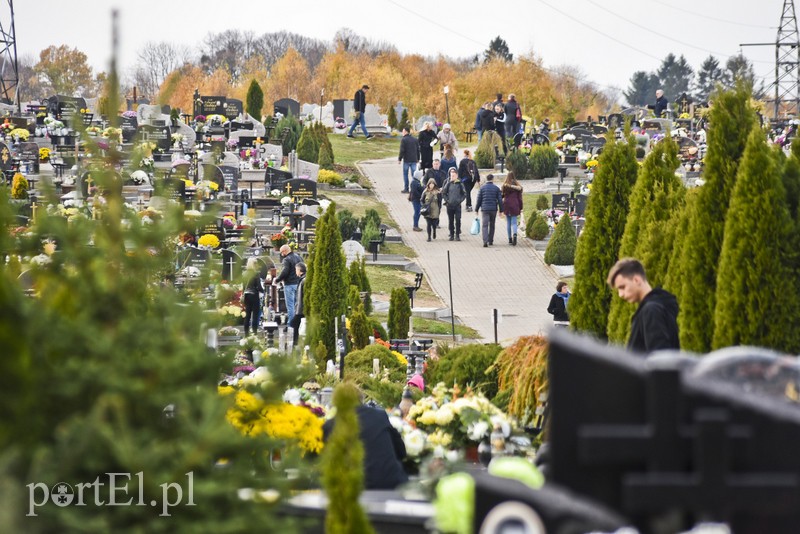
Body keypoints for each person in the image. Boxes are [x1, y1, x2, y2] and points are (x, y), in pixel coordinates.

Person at [322, 390, 409, 490]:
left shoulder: (331, 424)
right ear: (361, 400)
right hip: (392, 483)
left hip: (354, 487)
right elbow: (401, 451)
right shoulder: (379, 415)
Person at [607, 258, 680, 354]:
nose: (620, 294)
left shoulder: (651, 310)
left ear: (636, 280)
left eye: (622, 287)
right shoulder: (658, 306)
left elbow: (660, 359)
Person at [273, 244, 303, 325]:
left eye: (281, 252)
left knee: (290, 306)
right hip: (298, 283)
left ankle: (291, 324)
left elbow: (285, 271)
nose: (281, 254)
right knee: (298, 305)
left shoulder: (286, 259)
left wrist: (277, 280)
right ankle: (298, 324)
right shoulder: (299, 257)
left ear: (284, 251)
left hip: (289, 284)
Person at [475, 173, 503, 247]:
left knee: (485, 225)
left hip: (485, 209)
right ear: (492, 179)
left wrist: (476, 209)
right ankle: (490, 240)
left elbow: (479, 199)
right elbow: (500, 200)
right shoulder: (496, 188)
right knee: (492, 225)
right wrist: (501, 210)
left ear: (486, 179)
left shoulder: (482, 188)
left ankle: (485, 241)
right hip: (493, 209)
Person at [441, 167, 466, 241]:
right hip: (450, 205)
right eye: (451, 176)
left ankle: (457, 235)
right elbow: (444, 193)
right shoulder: (448, 183)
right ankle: (451, 235)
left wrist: (460, 200)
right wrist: (447, 200)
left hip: (457, 205)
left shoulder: (460, 183)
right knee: (450, 220)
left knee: (458, 220)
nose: (452, 177)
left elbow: (464, 194)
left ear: (457, 176)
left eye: (454, 176)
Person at [242, 257, 264, 337]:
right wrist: (263, 291)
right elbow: (258, 286)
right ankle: (254, 333)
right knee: (255, 315)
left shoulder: (244, 273)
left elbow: (243, 286)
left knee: (247, 315)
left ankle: (246, 334)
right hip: (254, 295)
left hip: (246, 295)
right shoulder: (255, 274)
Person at [500, 171, 523, 245]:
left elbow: (501, 196)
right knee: (514, 222)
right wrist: (521, 207)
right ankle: (515, 235)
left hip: (507, 204)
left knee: (508, 223)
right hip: (515, 204)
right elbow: (520, 198)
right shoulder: (517, 186)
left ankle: (510, 239)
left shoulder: (505, 186)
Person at [288, 262, 306, 347]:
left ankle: (295, 344)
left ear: (299, 270)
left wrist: (298, 309)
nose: (296, 272)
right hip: (299, 308)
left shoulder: (303, 280)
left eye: (296, 270)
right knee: (295, 325)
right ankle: (295, 343)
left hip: (301, 310)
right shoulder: (301, 279)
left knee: (293, 324)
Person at [397, 126, 420, 194]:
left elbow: (402, 150)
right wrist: (418, 158)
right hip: (414, 159)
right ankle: (414, 189)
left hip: (406, 160)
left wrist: (399, 159)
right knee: (414, 175)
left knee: (405, 174)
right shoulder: (415, 139)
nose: (402, 133)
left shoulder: (404, 140)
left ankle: (406, 188)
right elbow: (418, 150)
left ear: (406, 132)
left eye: (403, 131)